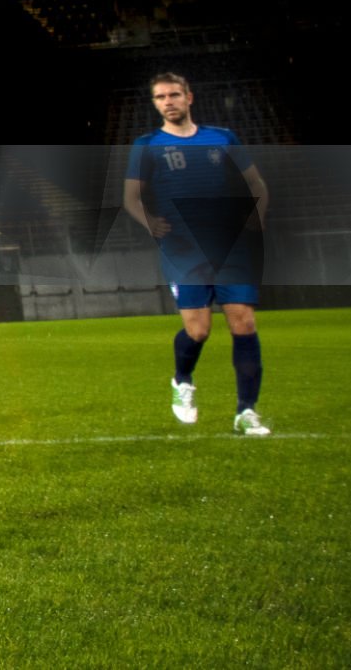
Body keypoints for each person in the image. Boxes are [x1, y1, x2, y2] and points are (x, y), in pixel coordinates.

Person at [122, 72, 272, 436]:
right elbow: (131, 198)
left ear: (190, 97)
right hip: (184, 251)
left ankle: (246, 411)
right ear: (155, 103)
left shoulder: (221, 138)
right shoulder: (147, 145)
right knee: (199, 330)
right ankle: (182, 380)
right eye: (160, 97)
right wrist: (150, 223)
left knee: (244, 323)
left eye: (174, 94)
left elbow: (256, 184)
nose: (168, 101)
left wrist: (256, 221)